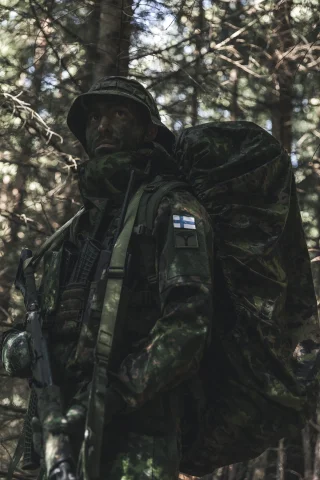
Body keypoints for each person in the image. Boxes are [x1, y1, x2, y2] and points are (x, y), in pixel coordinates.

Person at [1, 77, 214, 480]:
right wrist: (17, 349)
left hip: (136, 442)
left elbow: (189, 325)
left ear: (148, 130)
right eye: (95, 117)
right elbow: (29, 328)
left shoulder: (172, 209)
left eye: (119, 114)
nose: (103, 126)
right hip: (55, 434)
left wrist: (109, 397)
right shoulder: (72, 234)